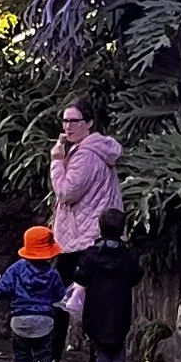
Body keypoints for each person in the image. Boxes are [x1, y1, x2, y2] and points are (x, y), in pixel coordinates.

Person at [59, 207, 139, 362]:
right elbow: (136, 276)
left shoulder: (92, 254)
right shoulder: (128, 255)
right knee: (118, 340)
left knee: (100, 343)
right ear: (122, 229)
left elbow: (82, 276)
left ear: (100, 228)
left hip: (96, 305)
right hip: (121, 303)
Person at [0, 226, 71, 362]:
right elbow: (60, 295)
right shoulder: (52, 273)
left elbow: (2, 289)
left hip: (20, 318)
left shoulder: (16, 269)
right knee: (45, 350)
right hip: (45, 319)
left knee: (22, 354)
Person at [48, 100, 123, 254]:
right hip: (94, 234)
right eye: (65, 121)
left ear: (89, 123)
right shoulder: (93, 149)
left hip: (83, 239)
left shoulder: (85, 154)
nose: (68, 127)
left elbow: (66, 193)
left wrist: (56, 160)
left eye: (74, 121)